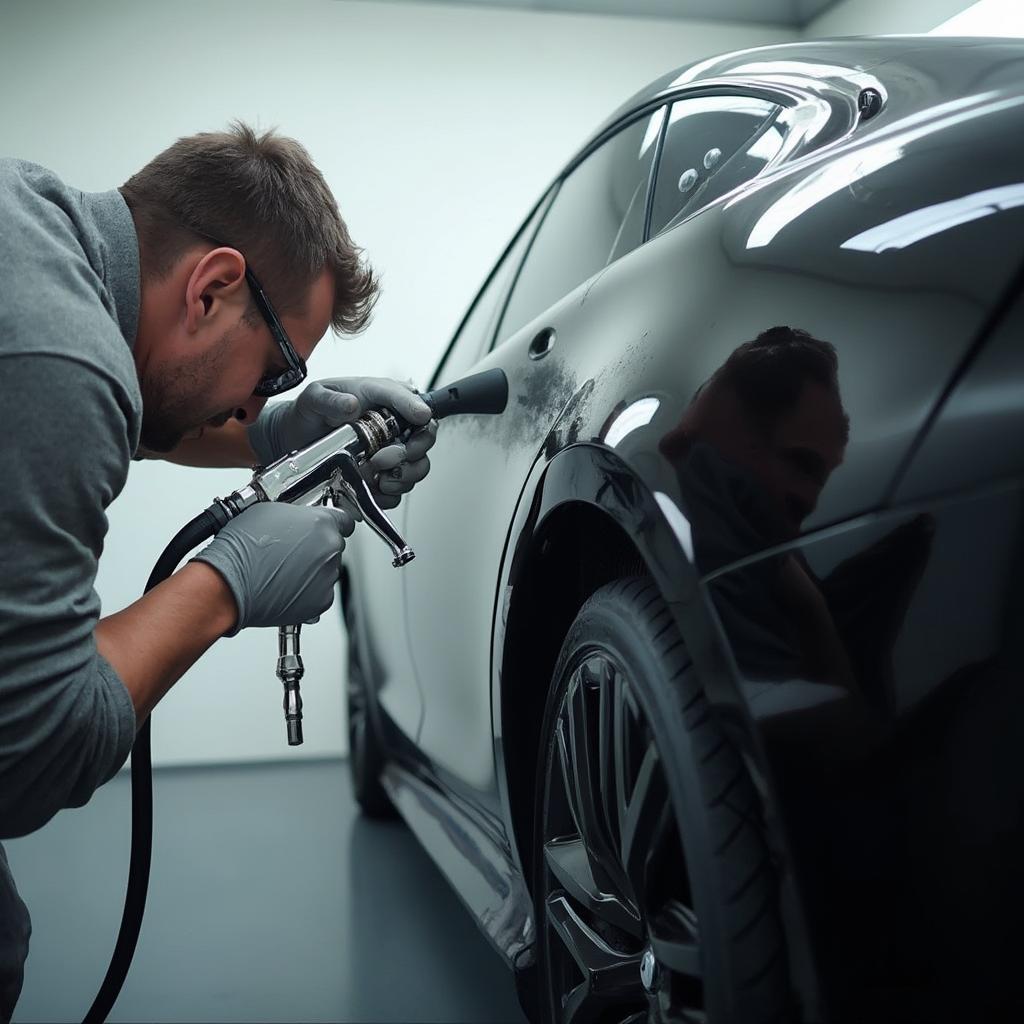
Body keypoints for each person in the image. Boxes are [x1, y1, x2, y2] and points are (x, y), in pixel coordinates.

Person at [0, 123, 437, 1019]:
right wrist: (223, 586)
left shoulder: (38, 234)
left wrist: (273, 434)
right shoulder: (59, 356)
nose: (253, 402)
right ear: (213, 286)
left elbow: (159, 403)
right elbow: (25, 754)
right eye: (275, 373)